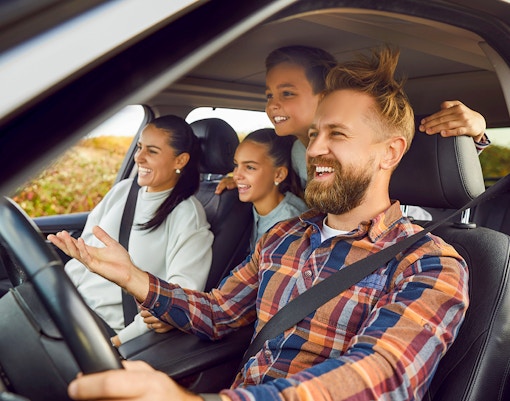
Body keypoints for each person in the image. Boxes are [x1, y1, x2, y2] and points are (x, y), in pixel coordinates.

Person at [49, 46, 468, 401]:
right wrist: (133, 277)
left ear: (390, 153)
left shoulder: (430, 265)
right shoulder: (284, 236)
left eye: (337, 135)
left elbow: (382, 375)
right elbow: (219, 313)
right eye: (315, 133)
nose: (316, 148)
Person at [216, 45, 489, 201]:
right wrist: (244, 180)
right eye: (269, 95)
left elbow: (416, 165)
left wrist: (476, 135)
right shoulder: (292, 150)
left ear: (324, 97)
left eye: (287, 93)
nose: (273, 104)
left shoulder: (368, 146)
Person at [63, 115, 213, 346]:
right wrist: (58, 294)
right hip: (70, 309)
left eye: (152, 151)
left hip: (104, 330)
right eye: (140, 147)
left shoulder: (186, 215)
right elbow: (84, 250)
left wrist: (117, 342)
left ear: (180, 160)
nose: (138, 157)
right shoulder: (123, 191)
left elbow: (179, 298)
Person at [233, 128, 307, 250]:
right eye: (236, 165)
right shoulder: (261, 206)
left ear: (279, 175)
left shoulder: (290, 225)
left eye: (250, 167)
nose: (236, 175)